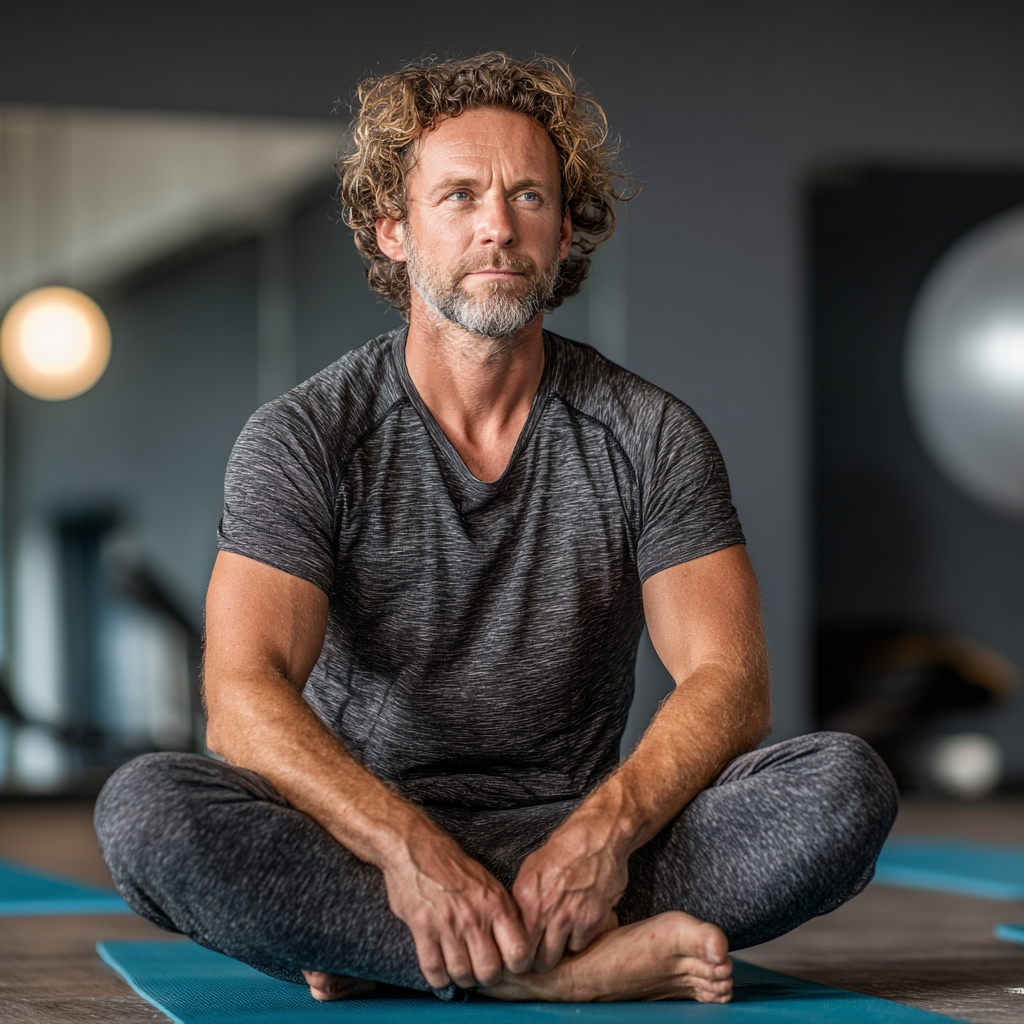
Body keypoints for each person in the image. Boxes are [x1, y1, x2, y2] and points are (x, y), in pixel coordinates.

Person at [95, 52, 897, 1005]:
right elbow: (239, 693)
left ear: (564, 233)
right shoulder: (305, 436)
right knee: (147, 814)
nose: (497, 226)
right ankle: (556, 975)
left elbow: (732, 679)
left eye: (529, 196)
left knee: (843, 785)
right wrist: (406, 851)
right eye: (460, 195)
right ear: (394, 231)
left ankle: (384, 960)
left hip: (580, 845)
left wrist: (604, 836)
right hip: (361, 844)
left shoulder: (648, 435)